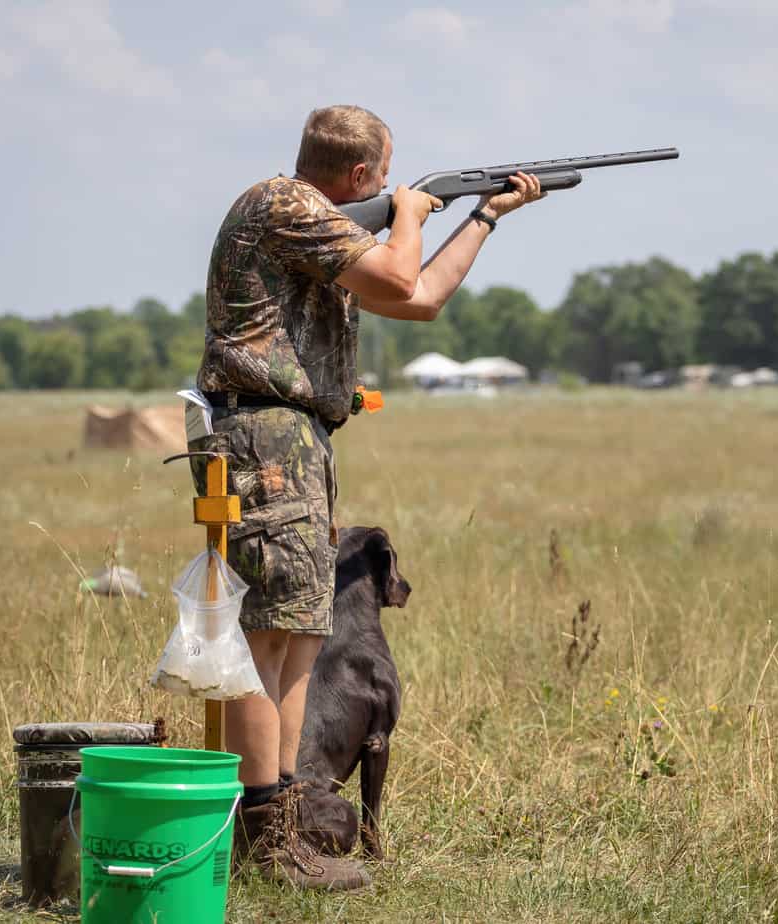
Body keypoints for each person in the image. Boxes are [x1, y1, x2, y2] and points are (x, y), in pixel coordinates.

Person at [188, 105, 545, 890]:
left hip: (299, 442)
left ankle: (281, 825)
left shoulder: (318, 227)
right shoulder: (283, 206)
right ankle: (264, 836)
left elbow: (415, 298)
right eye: (383, 180)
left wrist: (484, 216)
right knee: (264, 639)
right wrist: (410, 216)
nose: (389, 190)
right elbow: (394, 271)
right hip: (265, 440)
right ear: (358, 177)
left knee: (301, 639)